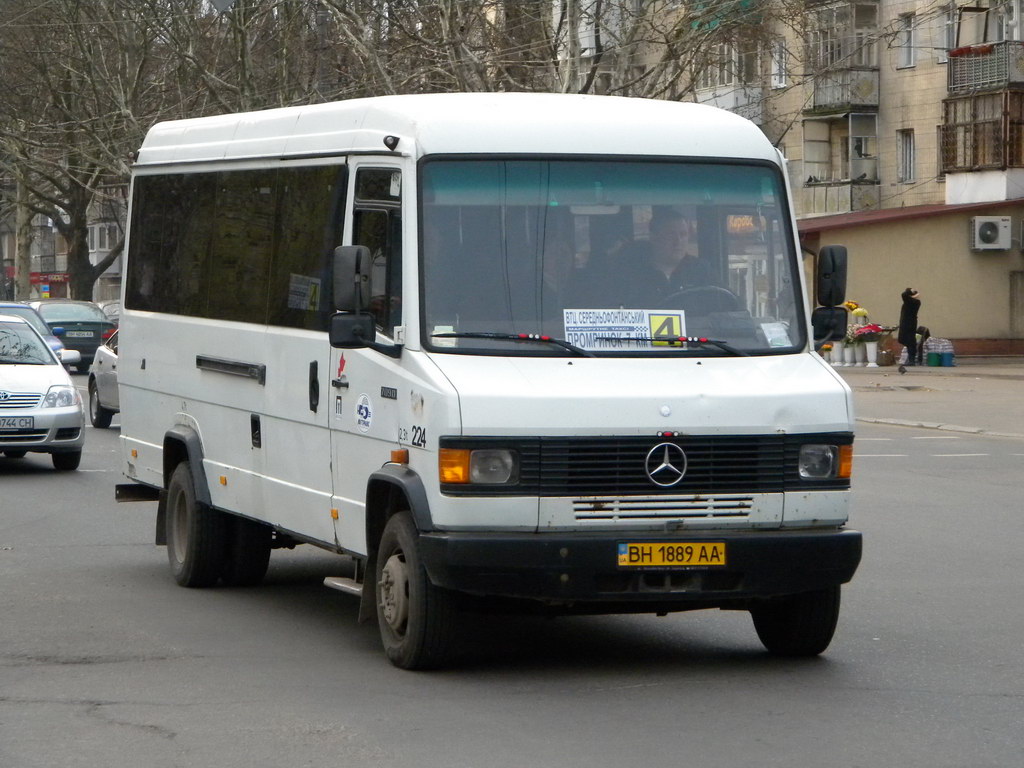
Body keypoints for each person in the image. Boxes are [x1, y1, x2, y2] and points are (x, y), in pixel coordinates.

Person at [898, 287, 921, 365]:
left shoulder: (912, 301)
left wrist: (912, 293)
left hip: (909, 323)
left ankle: (912, 360)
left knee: (910, 341)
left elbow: (903, 294)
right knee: (907, 340)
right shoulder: (912, 301)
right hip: (908, 322)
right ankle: (911, 359)